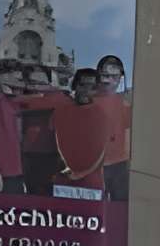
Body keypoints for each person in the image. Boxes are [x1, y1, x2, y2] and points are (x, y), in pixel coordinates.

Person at [48, 67, 114, 198]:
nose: (86, 91)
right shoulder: (61, 111)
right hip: (64, 180)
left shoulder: (101, 115)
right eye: (83, 85)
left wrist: (81, 174)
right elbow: (54, 143)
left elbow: (102, 152)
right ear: (75, 85)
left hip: (91, 183)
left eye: (92, 87)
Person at [89, 54, 133, 200]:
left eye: (114, 77)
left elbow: (127, 136)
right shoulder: (88, 101)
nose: (109, 81)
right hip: (92, 164)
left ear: (120, 78)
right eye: (105, 76)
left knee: (118, 205)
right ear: (99, 76)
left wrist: (126, 164)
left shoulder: (125, 104)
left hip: (118, 165)